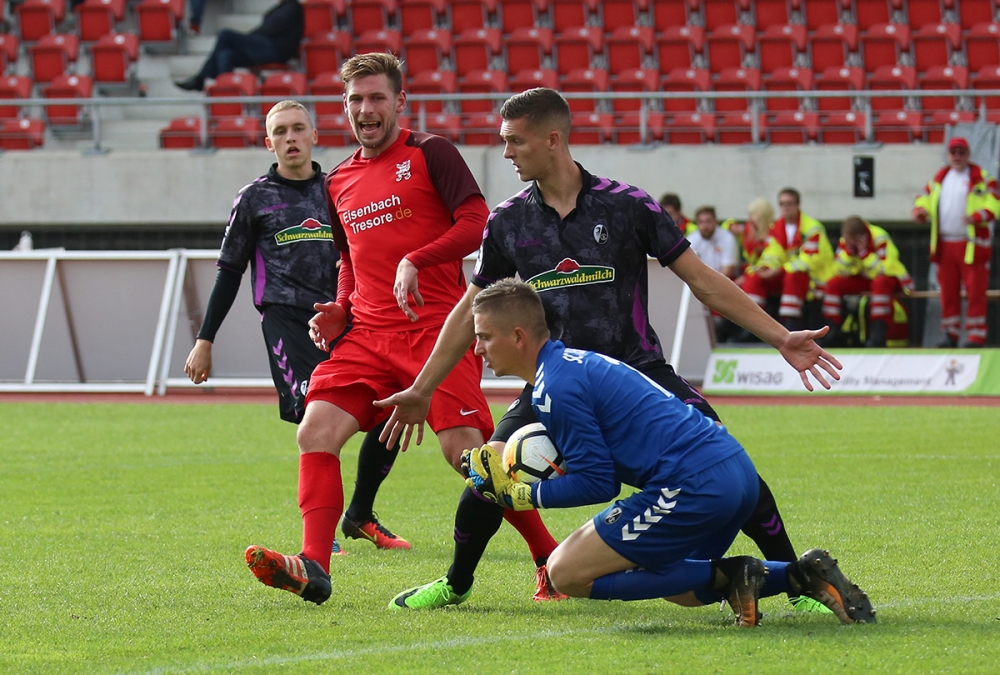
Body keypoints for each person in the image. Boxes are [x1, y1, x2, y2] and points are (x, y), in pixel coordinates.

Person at [374, 88, 842, 612]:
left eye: (515, 141)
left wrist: (780, 336)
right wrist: (422, 389)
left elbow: (702, 280)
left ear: (553, 140)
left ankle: (798, 584)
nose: (505, 153)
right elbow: (470, 310)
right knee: (487, 477)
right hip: (555, 383)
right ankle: (455, 584)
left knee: (739, 477)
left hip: (640, 376)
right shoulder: (507, 220)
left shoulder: (627, 205)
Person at [243, 54, 558, 605]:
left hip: (438, 331)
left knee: (468, 455)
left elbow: (476, 223)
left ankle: (548, 558)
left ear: (399, 102)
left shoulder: (430, 152)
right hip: (367, 334)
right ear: (345, 107)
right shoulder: (338, 179)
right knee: (315, 431)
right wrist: (341, 307)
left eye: (377, 98)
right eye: (355, 100)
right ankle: (315, 565)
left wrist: (417, 258)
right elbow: (348, 258)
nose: (365, 109)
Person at [462, 279, 876, 627]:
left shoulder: (555, 386)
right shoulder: (570, 366)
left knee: (564, 571)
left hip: (694, 486)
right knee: (686, 588)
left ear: (518, 336)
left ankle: (742, 572)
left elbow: (598, 483)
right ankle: (803, 574)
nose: (478, 348)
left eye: (484, 337)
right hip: (736, 473)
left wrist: (521, 495)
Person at [184, 99, 406, 556]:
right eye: (280, 131)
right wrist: (205, 340)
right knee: (317, 420)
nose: (290, 138)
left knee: (390, 412)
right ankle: (321, 532)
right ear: (269, 143)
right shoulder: (254, 198)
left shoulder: (339, 188)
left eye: (298, 129)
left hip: (349, 319)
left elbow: (366, 254)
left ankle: (360, 514)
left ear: (314, 136)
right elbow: (229, 271)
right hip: (288, 322)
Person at [912, 136, 1000, 348]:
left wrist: (978, 216)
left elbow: (995, 204)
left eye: (961, 153)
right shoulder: (939, 179)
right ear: (948, 155)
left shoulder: (983, 179)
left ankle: (976, 335)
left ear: (968, 155)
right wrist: (920, 211)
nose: (957, 157)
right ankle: (950, 333)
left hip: (972, 244)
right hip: (945, 244)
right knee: (948, 292)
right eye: (953, 153)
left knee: (975, 291)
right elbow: (924, 198)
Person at [739, 188, 834, 331]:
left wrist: (780, 270)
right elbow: (773, 253)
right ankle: (751, 326)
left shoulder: (812, 228)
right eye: (782, 204)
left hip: (812, 277)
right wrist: (766, 266)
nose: (785, 207)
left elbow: (809, 260)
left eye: (789, 203)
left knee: (792, 277)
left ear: (797, 205)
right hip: (785, 273)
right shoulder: (777, 227)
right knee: (755, 277)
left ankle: (790, 325)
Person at [821, 216, 914, 348]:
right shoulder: (846, 241)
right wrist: (848, 254)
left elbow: (882, 270)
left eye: (852, 240)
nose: (849, 242)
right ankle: (832, 330)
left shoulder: (880, 238)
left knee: (879, 283)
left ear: (860, 236)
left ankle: (878, 334)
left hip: (890, 278)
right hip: (864, 278)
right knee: (833, 284)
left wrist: (864, 253)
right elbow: (838, 270)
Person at [174, 0, 304, 92]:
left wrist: (243, 40)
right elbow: (263, 30)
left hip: (275, 50)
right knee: (225, 54)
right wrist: (243, 40)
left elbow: (270, 29)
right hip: (264, 46)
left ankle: (202, 77)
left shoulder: (293, 7)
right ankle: (226, 92)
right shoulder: (279, 8)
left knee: (226, 35)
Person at [687, 206, 739, 279]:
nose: (705, 226)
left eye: (708, 222)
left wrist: (710, 282)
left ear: (715, 221)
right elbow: (688, 267)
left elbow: (728, 270)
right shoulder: (692, 239)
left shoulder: (727, 238)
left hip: (724, 280)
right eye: (701, 222)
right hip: (700, 280)